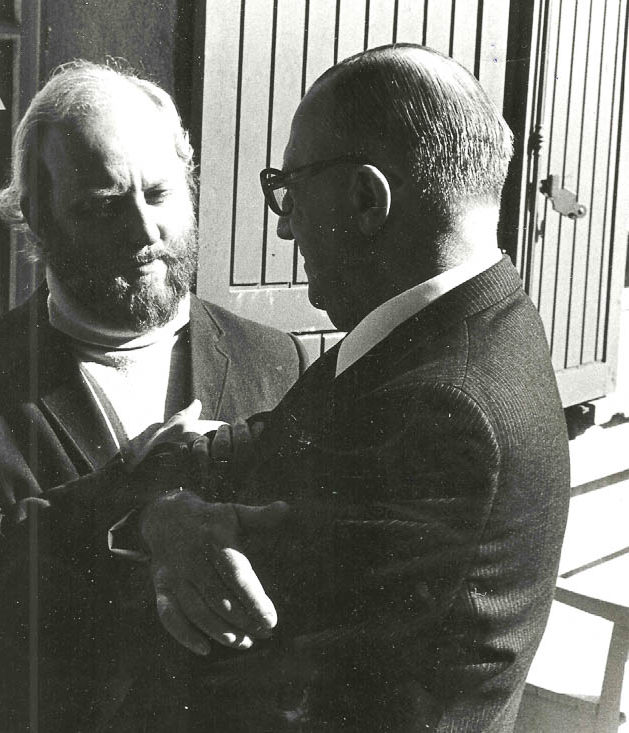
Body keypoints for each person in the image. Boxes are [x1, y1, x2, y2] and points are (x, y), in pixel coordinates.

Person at [135, 44, 571, 731]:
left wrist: (162, 519)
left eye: (291, 190)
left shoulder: (444, 402)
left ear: (367, 199)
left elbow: (263, 672)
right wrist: (169, 502)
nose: (285, 224)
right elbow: (271, 442)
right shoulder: (455, 326)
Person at [0, 61, 306, 731]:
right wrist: (127, 507)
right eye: (104, 205)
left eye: (160, 193)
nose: (144, 230)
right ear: (35, 217)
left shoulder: (276, 359)